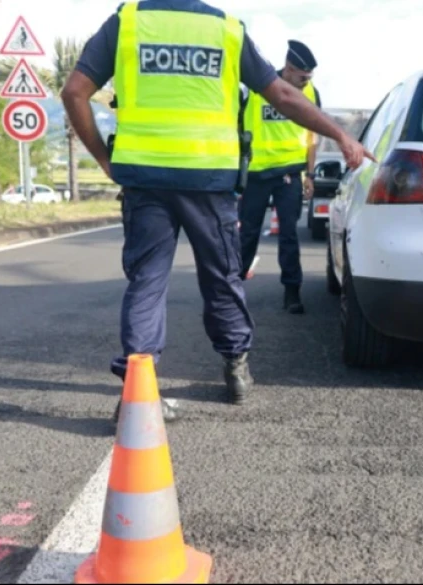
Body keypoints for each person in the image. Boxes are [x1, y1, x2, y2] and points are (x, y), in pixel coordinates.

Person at [61, 0, 375, 422]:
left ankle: (137, 394)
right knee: (221, 276)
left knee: (147, 283)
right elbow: (281, 93)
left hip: (145, 179)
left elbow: (74, 92)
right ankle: (236, 367)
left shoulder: (128, 21)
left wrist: (104, 159)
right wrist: (341, 135)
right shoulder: (225, 29)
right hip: (208, 179)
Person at [238, 39, 322, 314]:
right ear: (287, 68)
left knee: (289, 234)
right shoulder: (258, 86)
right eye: (302, 76)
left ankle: (292, 292)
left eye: (309, 77)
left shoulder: (311, 92)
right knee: (247, 233)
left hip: (289, 173)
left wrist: (309, 173)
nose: (305, 82)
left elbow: (312, 137)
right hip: (257, 172)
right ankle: (233, 291)